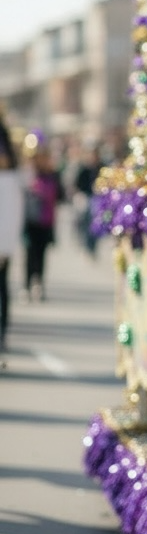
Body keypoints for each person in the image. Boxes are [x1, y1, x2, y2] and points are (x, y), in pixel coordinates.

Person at [22, 144, 62, 300]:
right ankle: (27, 285)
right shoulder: (29, 175)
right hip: (30, 222)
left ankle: (39, 285)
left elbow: (60, 195)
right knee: (30, 254)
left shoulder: (52, 175)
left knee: (41, 255)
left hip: (46, 221)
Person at [0, 114, 24, 356]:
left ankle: (2, 333)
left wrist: (4, 248)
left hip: (2, 247)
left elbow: (12, 216)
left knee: (2, 287)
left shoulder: (9, 180)